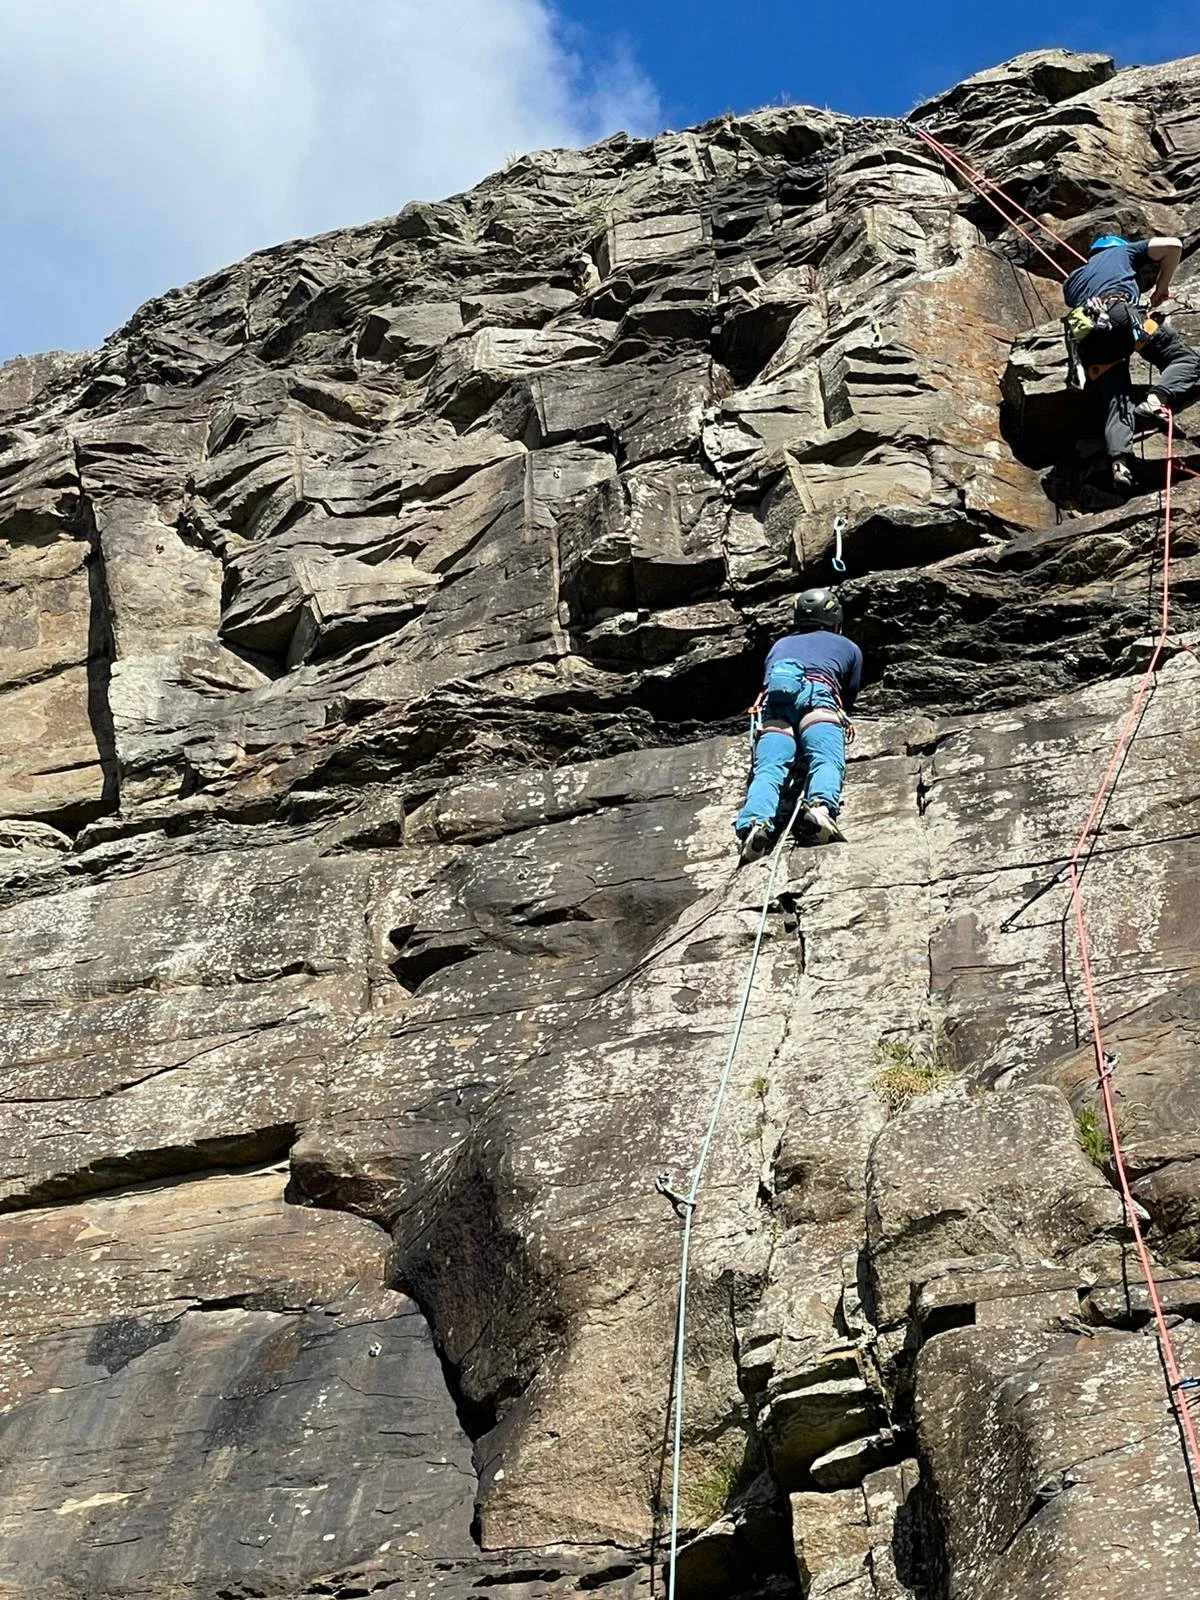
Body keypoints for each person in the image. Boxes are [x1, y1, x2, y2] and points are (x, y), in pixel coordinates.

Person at [1062, 233, 1200, 491]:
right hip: (1118, 316)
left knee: (1118, 400)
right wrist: (1161, 288)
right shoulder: (1124, 253)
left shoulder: (1071, 281)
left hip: (1088, 342)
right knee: (1185, 358)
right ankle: (1155, 401)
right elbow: (1174, 246)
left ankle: (1119, 463)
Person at [734, 588, 862, 863]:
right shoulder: (849, 647)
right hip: (819, 697)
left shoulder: (780, 645)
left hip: (776, 703)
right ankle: (820, 809)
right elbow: (848, 695)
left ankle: (755, 826)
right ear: (834, 618)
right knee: (826, 758)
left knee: (768, 769)